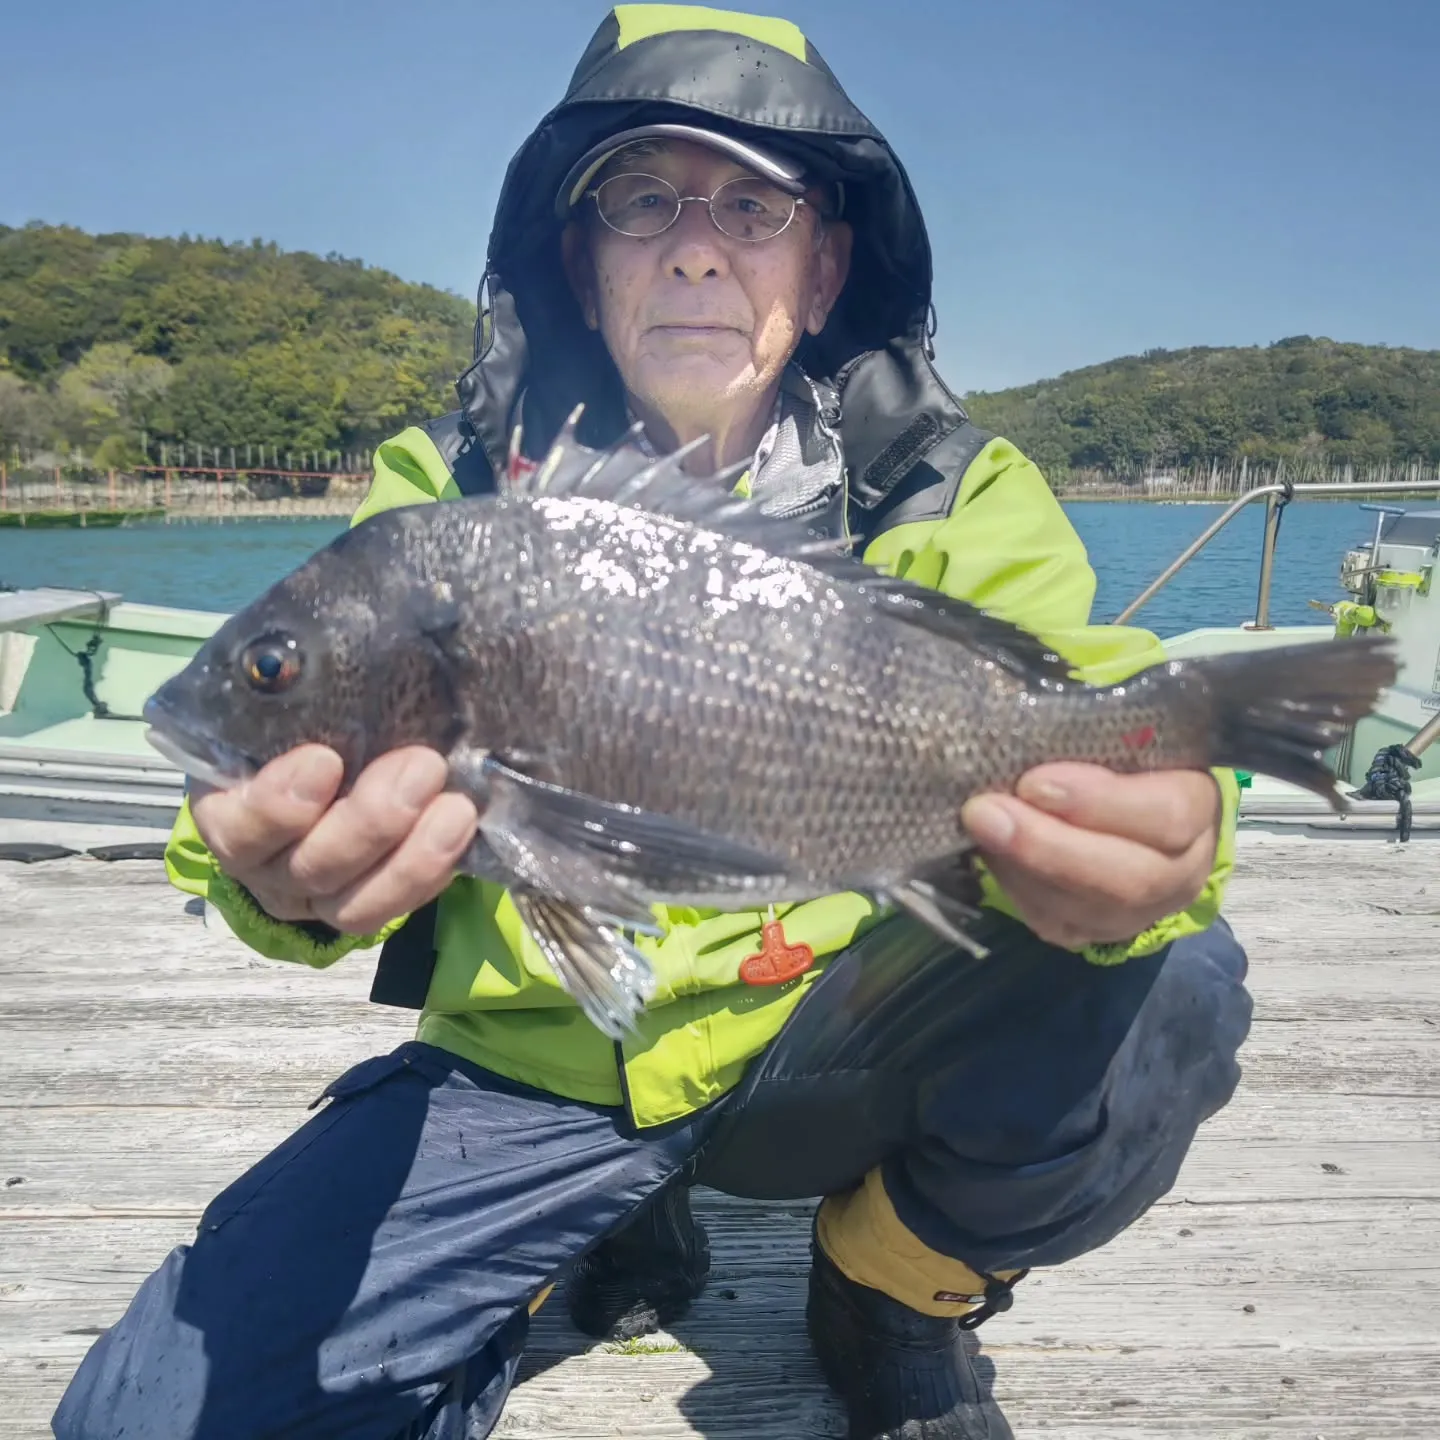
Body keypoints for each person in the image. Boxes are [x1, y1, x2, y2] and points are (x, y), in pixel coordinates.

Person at [52, 8, 1252, 1439]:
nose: (697, 244)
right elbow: (262, 830)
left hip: (835, 1037)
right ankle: (586, 1241)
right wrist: (264, 878)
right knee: (150, 1422)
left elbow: (1103, 723)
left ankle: (891, 1287)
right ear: (581, 256)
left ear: (826, 263)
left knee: (1176, 985)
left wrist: (1158, 836)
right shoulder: (444, 508)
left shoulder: (952, 492)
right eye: (642, 200)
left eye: (754, 203)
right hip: (525, 1074)